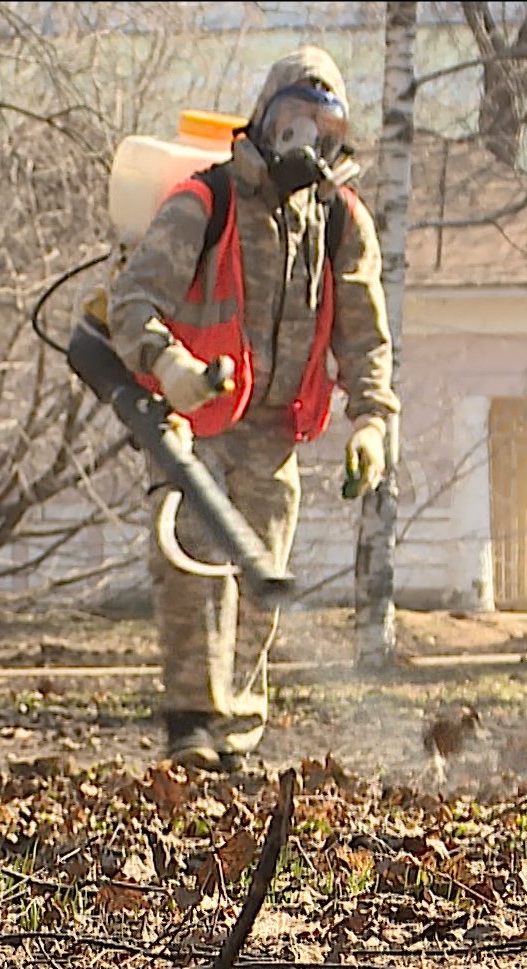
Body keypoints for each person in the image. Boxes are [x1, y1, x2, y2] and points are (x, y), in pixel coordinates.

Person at [69, 46, 400, 771]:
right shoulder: (204, 200)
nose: (305, 144)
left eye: (323, 129)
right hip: (192, 422)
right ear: (263, 120)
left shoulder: (342, 223)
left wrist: (372, 422)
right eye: (292, 123)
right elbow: (132, 302)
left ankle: (237, 741)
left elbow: (365, 334)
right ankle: (190, 728)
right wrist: (173, 371)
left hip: (274, 433)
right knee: (190, 567)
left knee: (261, 584)